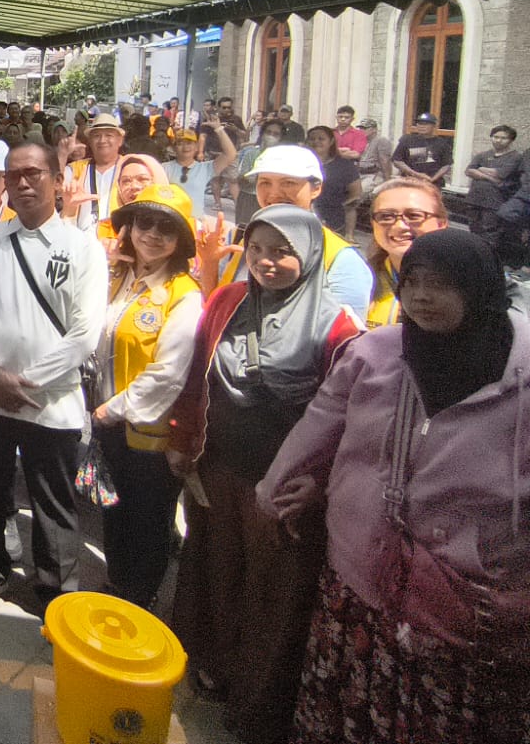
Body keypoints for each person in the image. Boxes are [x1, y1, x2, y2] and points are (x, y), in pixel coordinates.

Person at [257, 230, 530, 744]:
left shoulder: (522, 374)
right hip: (362, 577)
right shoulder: (377, 354)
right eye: (413, 283)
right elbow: (320, 428)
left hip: (467, 597)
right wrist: (284, 488)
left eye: (441, 284)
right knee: (349, 703)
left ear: (480, 288)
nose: (422, 297)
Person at [166, 205, 363, 744]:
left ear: (312, 254)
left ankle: (256, 703)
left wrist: (319, 483)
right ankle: (214, 667)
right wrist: (183, 439)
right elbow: (197, 375)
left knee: (272, 594)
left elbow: (348, 422)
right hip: (219, 469)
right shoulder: (229, 301)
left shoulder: (338, 328)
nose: (265, 262)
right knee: (218, 571)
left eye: (282, 251)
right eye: (256, 249)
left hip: (282, 491)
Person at [0, 143, 108, 612]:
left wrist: (25, 382)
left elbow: (86, 332)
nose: (23, 183)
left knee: (53, 502)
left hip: (51, 401)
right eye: (14, 174)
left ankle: (56, 594)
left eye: (33, 173)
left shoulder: (83, 247)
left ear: (58, 179)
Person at [91, 184, 202, 609]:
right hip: (107, 427)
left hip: (149, 437)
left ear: (180, 240)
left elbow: (168, 374)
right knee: (113, 512)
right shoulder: (117, 277)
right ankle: (117, 588)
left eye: (166, 227)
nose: (152, 234)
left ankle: (140, 601)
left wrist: (110, 410)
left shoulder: (183, 295)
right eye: (144, 222)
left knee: (148, 522)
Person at [198, 146, 373, 316]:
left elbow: (342, 338)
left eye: (288, 183)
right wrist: (209, 264)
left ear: (316, 188)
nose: (274, 193)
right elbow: (215, 312)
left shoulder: (341, 259)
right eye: (265, 182)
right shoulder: (236, 240)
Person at [363, 176, 450, 326]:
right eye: (386, 217)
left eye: (414, 216)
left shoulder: (462, 283)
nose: (400, 226)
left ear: (441, 223)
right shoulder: (360, 279)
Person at [463, 124, 522, 264]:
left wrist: (481, 170)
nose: (498, 140)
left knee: (491, 232)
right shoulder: (483, 155)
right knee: (474, 229)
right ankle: (474, 260)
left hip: (494, 202)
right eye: (495, 137)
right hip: (474, 199)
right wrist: (490, 177)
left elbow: (501, 174)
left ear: (511, 140)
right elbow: (469, 171)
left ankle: (487, 261)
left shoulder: (515, 157)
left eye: (503, 138)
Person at [64, 113, 125, 230]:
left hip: (118, 242)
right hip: (82, 241)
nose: (102, 140)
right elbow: (54, 189)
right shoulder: (75, 169)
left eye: (109, 135)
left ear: (120, 140)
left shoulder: (129, 167)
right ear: (90, 141)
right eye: (97, 136)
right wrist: (63, 154)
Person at [305, 125, 362, 237]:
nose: (316, 142)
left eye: (321, 139)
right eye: (312, 139)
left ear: (331, 141)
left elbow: (354, 199)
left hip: (334, 227)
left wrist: (349, 235)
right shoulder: (299, 164)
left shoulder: (345, 166)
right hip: (304, 226)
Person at [167, 124, 236, 216]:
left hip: (196, 223)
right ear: (173, 148)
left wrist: (219, 129)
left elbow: (230, 154)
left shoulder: (205, 168)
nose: (185, 147)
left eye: (189, 143)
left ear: (196, 147)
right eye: (180, 143)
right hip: (170, 220)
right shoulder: (164, 168)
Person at [392, 112, 453, 187]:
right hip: (409, 183)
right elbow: (397, 160)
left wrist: (432, 179)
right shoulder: (407, 140)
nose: (422, 126)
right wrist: (415, 174)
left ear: (434, 126)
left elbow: (446, 165)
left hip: (433, 184)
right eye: (419, 123)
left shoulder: (442, 143)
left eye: (425, 124)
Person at [355, 116, 393, 186]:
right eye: (360, 128)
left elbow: (385, 161)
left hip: (374, 174)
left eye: (365, 128)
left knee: (363, 191)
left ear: (374, 129)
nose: (361, 130)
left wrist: (388, 181)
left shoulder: (381, 141)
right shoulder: (360, 141)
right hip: (359, 173)